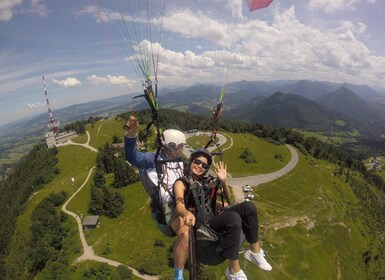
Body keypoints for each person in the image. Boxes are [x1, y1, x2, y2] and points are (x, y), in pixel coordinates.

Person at [172, 149, 272, 280]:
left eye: (204, 165)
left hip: (212, 220)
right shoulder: (182, 182)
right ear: (191, 162)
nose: (200, 166)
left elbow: (226, 196)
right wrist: (186, 213)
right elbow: (179, 204)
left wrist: (223, 180)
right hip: (200, 224)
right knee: (233, 218)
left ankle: (254, 252)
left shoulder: (206, 183)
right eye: (197, 162)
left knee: (249, 207)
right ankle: (234, 270)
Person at [124, 115, 188, 280]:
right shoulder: (153, 159)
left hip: (183, 202)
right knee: (185, 234)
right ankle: (178, 274)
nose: (182, 149)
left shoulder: (179, 161)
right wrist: (131, 135)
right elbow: (134, 158)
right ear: (172, 145)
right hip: (168, 209)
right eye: (180, 146)